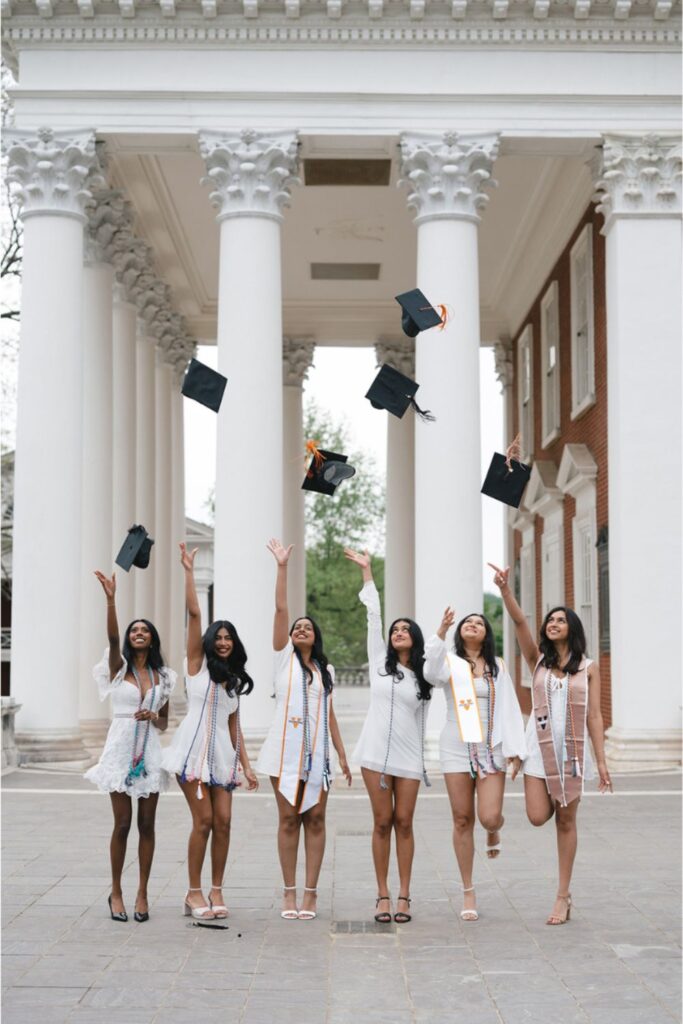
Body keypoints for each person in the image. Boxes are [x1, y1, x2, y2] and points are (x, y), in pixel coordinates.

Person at [489, 562, 613, 925]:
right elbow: (520, 624)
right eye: (550, 620)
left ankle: (563, 895)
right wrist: (505, 591)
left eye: (560, 620)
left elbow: (594, 716)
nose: (552, 623)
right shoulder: (537, 661)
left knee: (565, 821)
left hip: (572, 755)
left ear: (571, 628)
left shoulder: (588, 667)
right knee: (537, 816)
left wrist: (602, 762)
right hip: (537, 752)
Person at [162, 543, 259, 922]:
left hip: (223, 754)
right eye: (217, 637)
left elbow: (236, 727)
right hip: (192, 750)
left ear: (233, 645)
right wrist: (188, 571)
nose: (222, 642)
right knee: (202, 821)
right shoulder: (196, 665)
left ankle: (217, 888)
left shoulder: (234, 680)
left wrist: (247, 767)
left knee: (225, 822)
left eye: (228, 638)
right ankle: (193, 891)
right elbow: (193, 612)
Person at [257, 539, 351, 922]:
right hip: (283, 753)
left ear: (316, 637)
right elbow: (281, 610)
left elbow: (329, 715)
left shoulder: (325, 672)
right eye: (297, 627)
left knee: (315, 818)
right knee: (288, 819)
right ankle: (289, 891)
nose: (300, 629)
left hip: (317, 757)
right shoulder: (284, 661)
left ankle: (311, 893)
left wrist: (343, 755)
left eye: (307, 627)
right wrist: (282, 567)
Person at [344, 548, 431, 925]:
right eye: (395, 630)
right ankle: (382, 894)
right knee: (382, 822)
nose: (397, 633)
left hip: (409, 756)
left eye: (404, 630)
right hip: (375, 753)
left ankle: (405, 895)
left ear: (414, 639)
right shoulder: (379, 661)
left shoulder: (424, 675)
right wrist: (368, 574)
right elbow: (373, 616)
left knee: (405, 822)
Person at [423, 608, 526, 922]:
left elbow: (510, 708)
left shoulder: (498, 667)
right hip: (456, 746)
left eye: (479, 623)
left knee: (489, 816)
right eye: (467, 622)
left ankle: (493, 830)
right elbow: (429, 672)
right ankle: (468, 889)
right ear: (460, 631)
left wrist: (515, 749)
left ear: (486, 634)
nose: (473, 625)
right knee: (462, 818)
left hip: (490, 748)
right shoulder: (449, 664)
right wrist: (440, 630)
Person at [86, 570, 177, 923]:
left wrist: (153, 716)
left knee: (148, 825)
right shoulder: (117, 667)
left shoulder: (164, 677)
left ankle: (142, 892)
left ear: (152, 639)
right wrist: (111, 599)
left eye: (144, 630)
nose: (138, 633)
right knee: (122, 824)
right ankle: (116, 890)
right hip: (121, 747)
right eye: (134, 630)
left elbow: (165, 722)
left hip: (149, 748)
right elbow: (111, 636)